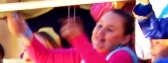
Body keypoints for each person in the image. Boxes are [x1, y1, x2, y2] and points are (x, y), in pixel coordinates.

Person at [9, 11, 138, 63]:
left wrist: (78, 39)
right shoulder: (81, 54)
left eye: (110, 29)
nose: (101, 32)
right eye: (99, 26)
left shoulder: (124, 55)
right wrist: (25, 31)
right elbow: (45, 57)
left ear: (125, 38)